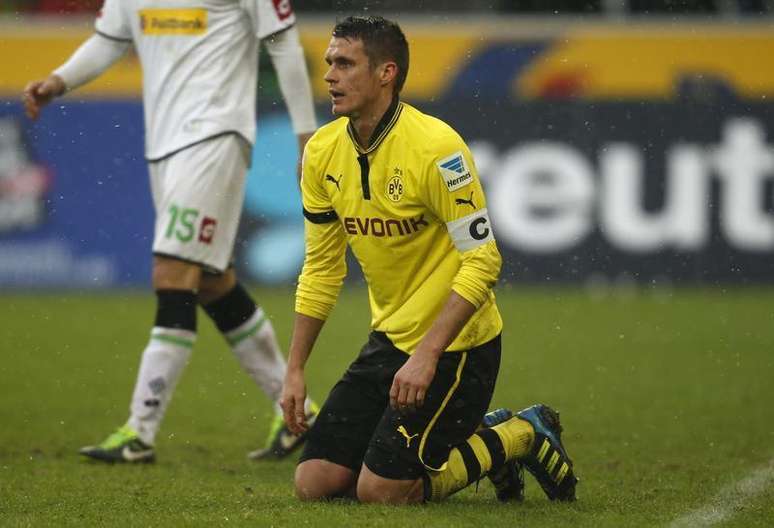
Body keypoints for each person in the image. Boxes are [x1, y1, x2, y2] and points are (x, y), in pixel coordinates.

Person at [280, 15, 579, 504]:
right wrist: (294, 369)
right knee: (315, 483)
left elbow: (484, 261)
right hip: (389, 342)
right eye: (330, 62)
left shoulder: (438, 150)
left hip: (458, 349)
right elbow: (321, 268)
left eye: (345, 63)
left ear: (386, 73)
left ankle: (520, 435)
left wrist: (427, 354)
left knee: (381, 491)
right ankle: (480, 434)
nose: (330, 75)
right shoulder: (321, 153)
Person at [22, 0, 319, 463]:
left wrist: (305, 136)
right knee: (211, 281)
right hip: (163, 147)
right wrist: (59, 80)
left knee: (172, 271)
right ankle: (296, 413)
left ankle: (139, 432)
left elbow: (283, 44)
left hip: (217, 136)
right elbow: (109, 41)